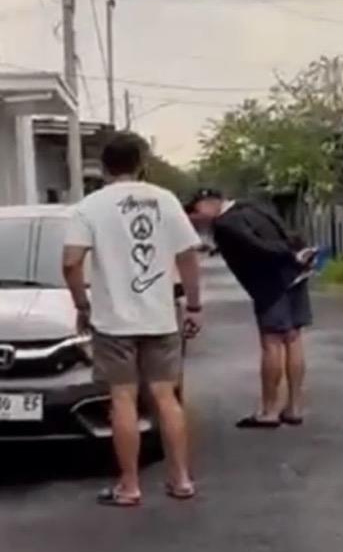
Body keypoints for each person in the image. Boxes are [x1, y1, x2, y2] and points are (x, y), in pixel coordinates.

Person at [62, 132, 203, 507]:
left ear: (104, 167)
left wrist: (82, 304)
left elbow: (70, 262)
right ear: (141, 164)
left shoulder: (89, 206)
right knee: (165, 396)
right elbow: (188, 255)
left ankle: (129, 485)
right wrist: (194, 305)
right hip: (159, 317)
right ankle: (181, 479)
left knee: (122, 398)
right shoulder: (166, 200)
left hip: (113, 322)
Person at [186, 189, 315, 429]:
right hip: (295, 275)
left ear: (208, 202)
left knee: (272, 343)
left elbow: (257, 246)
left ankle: (269, 410)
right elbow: (287, 232)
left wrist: (287, 255)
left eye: (196, 211)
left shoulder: (226, 224)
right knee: (294, 337)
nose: (196, 218)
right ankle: (294, 407)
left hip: (269, 283)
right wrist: (297, 254)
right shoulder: (256, 206)